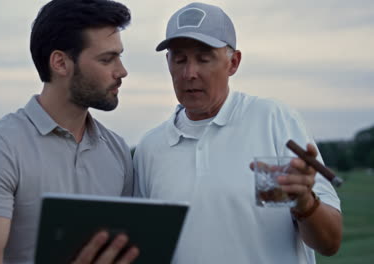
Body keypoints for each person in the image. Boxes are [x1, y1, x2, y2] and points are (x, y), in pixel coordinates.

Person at [133, 2, 342, 263]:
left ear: (233, 62)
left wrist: (306, 204)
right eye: (180, 59)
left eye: (204, 58)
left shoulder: (273, 120)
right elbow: (144, 246)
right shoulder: (150, 148)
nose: (190, 73)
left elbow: (330, 242)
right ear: (168, 63)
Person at [0, 0, 140, 263]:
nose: (122, 71)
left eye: (119, 56)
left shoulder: (117, 151)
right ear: (61, 63)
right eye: (107, 59)